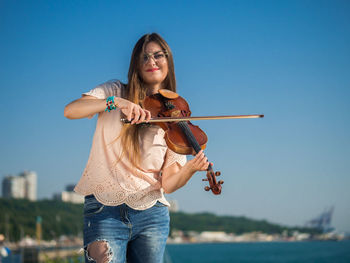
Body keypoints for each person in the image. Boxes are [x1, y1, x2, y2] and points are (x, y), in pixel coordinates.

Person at [64, 33, 210, 263]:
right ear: (136, 65)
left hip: (152, 215)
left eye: (158, 56)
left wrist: (189, 170)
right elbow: (71, 110)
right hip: (105, 210)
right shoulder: (115, 90)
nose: (151, 61)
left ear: (168, 61)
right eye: (144, 57)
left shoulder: (175, 116)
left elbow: (169, 183)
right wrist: (115, 103)